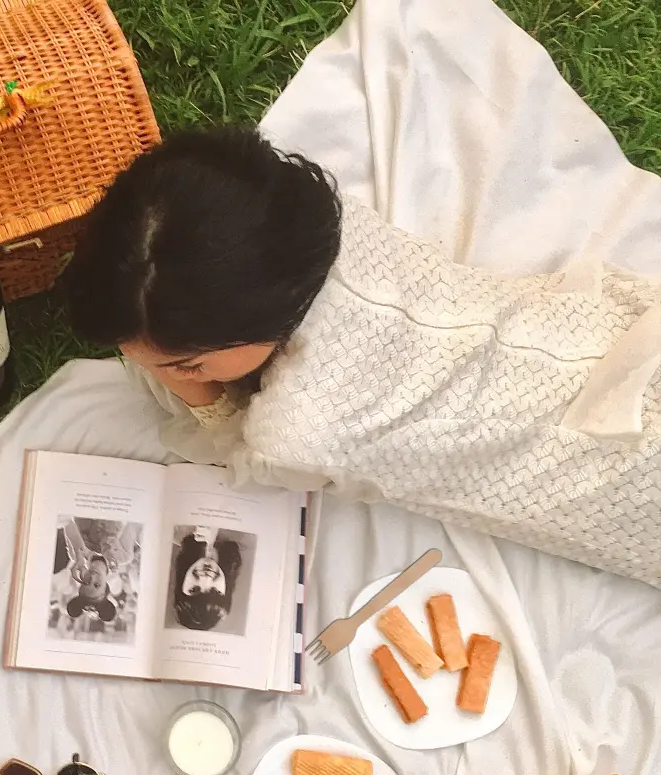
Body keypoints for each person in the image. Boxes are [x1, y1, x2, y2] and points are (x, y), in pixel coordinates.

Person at [65, 127, 661, 591]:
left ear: (261, 323)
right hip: (601, 337)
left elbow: (232, 452)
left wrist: (198, 394)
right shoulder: (327, 221)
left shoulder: (298, 431)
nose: (161, 376)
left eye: (185, 364)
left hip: (616, 481)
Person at [170, 527, 242, 631]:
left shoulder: (175, 530)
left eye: (194, 589)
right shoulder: (245, 538)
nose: (206, 579)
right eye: (214, 591)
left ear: (182, 585)